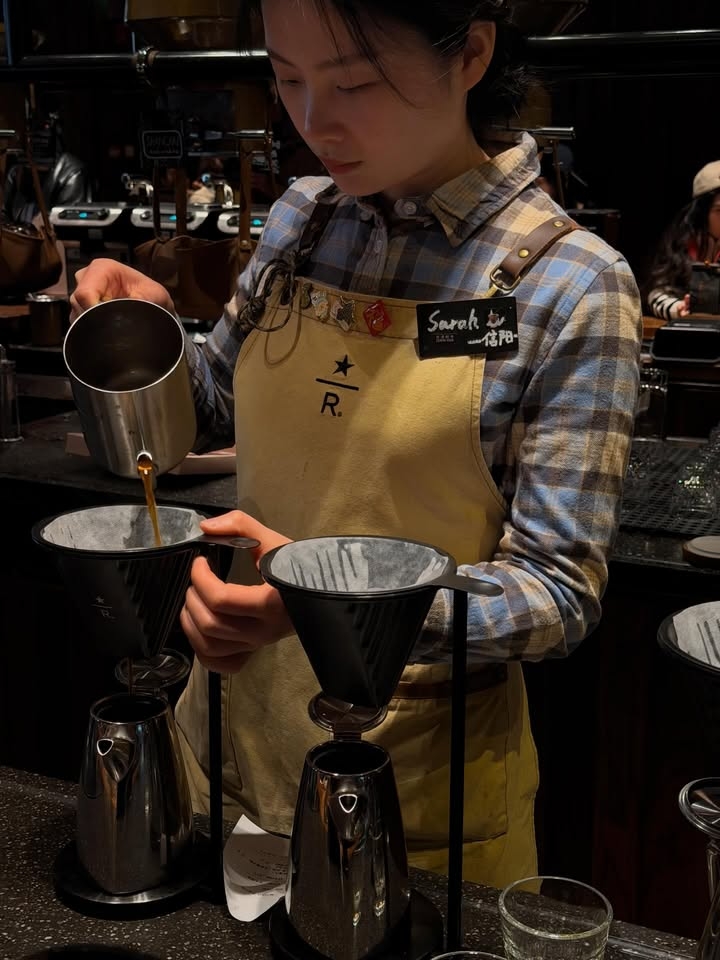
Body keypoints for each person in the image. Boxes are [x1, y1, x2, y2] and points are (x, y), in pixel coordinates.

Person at [70, 0, 642, 888]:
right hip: (227, 736)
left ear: (471, 55)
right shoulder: (303, 218)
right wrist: (149, 331)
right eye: (287, 79)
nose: (314, 121)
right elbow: (212, 409)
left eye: (355, 83)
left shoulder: (574, 286)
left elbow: (558, 593)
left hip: (409, 790)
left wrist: (324, 603)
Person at [646, 160, 720, 320]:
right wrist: (679, 308)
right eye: (719, 210)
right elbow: (656, 293)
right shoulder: (682, 246)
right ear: (702, 212)